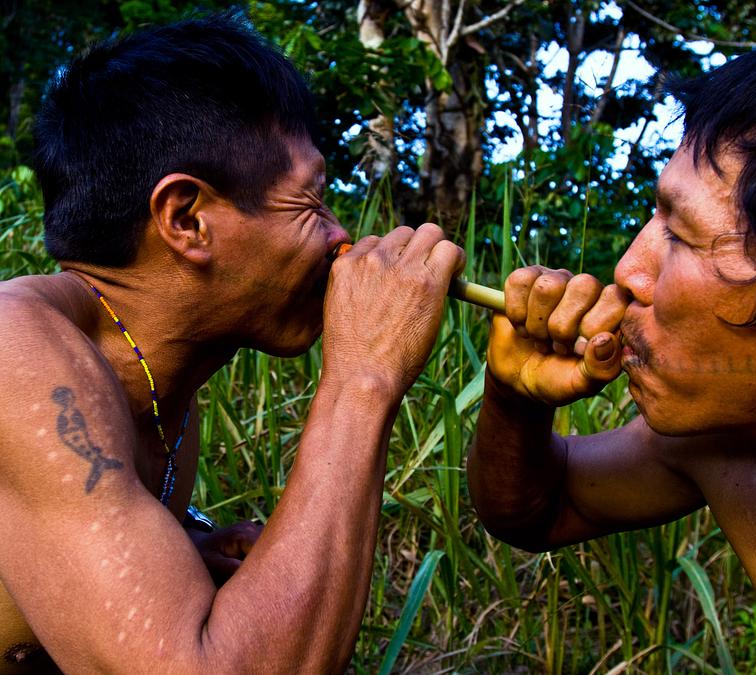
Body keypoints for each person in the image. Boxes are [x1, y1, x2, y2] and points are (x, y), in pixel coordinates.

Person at [467, 22, 756, 673]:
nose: (629, 271)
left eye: (682, 236)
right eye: (654, 217)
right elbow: (538, 508)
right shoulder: (734, 446)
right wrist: (515, 397)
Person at [0, 13, 464, 673]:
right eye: (311, 202)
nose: (341, 238)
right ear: (187, 218)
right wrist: (363, 378)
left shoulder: (158, 374)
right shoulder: (16, 355)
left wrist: (186, 550)